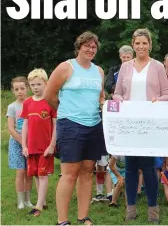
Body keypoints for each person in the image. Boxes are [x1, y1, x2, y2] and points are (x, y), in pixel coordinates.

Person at [44, 31, 106, 226]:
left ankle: (83, 217)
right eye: (87, 45)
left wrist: (105, 105)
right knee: (69, 173)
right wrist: (65, 111)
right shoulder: (66, 67)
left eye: (94, 47)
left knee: (88, 171)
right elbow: (49, 95)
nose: (90, 49)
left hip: (94, 125)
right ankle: (62, 220)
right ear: (79, 47)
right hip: (70, 125)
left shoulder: (99, 71)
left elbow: (101, 97)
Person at [113, 28, 168, 223]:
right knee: (130, 167)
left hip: (149, 123)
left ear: (150, 45)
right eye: (137, 43)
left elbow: (166, 94)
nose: (140, 46)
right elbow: (117, 93)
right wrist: (121, 100)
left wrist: (157, 100)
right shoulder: (125, 67)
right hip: (129, 123)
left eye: (144, 43)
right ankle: (130, 208)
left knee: (148, 167)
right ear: (133, 44)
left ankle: (153, 209)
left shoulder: (158, 67)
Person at [21, 68, 57, 217]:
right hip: (31, 147)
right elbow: (25, 125)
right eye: (32, 85)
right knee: (36, 174)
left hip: (45, 148)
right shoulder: (27, 102)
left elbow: (56, 125)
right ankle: (42, 202)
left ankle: (39, 206)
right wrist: (24, 145)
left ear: (46, 84)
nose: (35, 87)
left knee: (43, 175)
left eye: (38, 84)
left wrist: (52, 145)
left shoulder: (51, 102)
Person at [7, 76, 34, 209]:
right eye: (16, 89)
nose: (20, 91)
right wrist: (23, 143)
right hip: (17, 144)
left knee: (29, 173)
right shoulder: (12, 107)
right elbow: (11, 129)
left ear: (27, 88)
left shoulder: (33, 103)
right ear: (13, 91)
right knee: (21, 172)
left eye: (22, 88)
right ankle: (20, 201)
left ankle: (28, 200)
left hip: (31, 143)